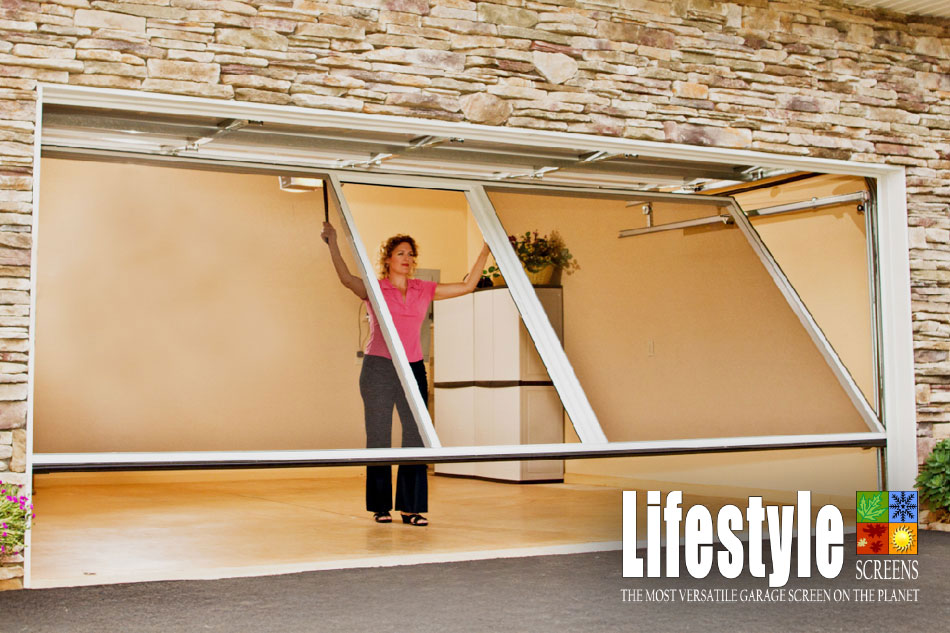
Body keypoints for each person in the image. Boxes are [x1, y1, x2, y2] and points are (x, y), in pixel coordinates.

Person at [321, 222, 491, 526]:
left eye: (411, 255)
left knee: (415, 437)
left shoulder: (422, 289)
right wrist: (332, 242)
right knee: (379, 438)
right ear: (388, 258)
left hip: (413, 366)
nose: (407, 258)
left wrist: (486, 250)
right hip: (379, 366)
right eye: (401, 253)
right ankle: (380, 507)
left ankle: (411, 508)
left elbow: (467, 286)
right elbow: (346, 279)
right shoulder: (375, 288)